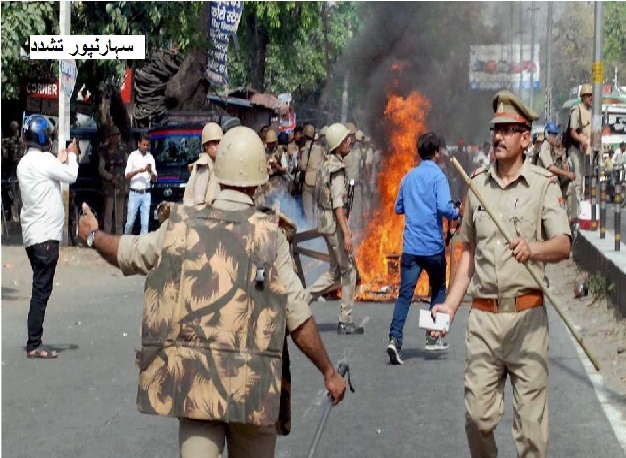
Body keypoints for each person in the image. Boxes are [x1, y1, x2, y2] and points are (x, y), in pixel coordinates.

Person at [77, 126, 346, 457]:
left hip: (196, 387)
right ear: (260, 180)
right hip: (253, 389)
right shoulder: (270, 237)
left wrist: (92, 236)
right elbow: (298, 317)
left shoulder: (180, 225)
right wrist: (329, 372)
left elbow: (127, 252)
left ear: (218, 171)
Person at [431, 90, 571, 458]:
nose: (499, 137)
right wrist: (448, 305)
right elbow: (468, 254)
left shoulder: (543, 184)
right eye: (496, 129)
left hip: (527, 321)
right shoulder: (476, 185)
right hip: (484, 322)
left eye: (509, 130)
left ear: (526, 138)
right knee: (477, 420)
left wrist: (534, 249)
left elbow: (563, 244)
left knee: (532, 437)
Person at [386, 132, 460, 365]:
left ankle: (394, 339)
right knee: (438, 290)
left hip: (411, 248)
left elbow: (398, 207)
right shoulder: (438, 176)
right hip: (433, 247)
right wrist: (457, 212)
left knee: (404, 295)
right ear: (436, 152)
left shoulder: (408, 177)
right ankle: (432, 337)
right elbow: (445, 208)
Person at [17, 115, 79, 359]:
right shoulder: (44, 161)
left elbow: (52, 167)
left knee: (39, 288)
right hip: (46, 238)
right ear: (42, 137)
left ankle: (34, 340)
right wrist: (72, 154)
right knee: (41, 291)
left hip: (32, 237)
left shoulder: (25, 163)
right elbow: (71, 175)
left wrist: (60, 158)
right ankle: (34, 343)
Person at [306, 123, 364, 335]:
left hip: (325, 224)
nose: (349, 142)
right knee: (348, 270)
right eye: (345, 139)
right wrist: (347, 234)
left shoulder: (324, 165)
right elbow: (338, 205)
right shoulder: (337, 170)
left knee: (334, 271)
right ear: (338, 144)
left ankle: (301, 299)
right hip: (334, 226)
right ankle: (345, 319)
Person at [536, 121, 575, 212]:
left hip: (550, 180)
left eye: (556, 135)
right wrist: (567, 174)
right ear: (547, 134)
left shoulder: (552, 147)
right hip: (544, 182)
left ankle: (568, 217)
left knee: (569, 190)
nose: (555, 138)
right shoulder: (544, 146)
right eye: (553, 135)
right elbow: (550, 167)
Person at [568, 83, 592, 224]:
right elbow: (573, 132)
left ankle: (586, 210)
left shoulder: (592, 111)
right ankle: (577, 213)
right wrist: (581, 140)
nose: (590, 98)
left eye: (591, 95)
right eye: (588, 95)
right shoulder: (576, 110)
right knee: (578, 182)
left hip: (588, 150)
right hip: (577, 150)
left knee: (588, 179)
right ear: (582, 97)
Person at [183, 122, 222, 206]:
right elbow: (199, 201)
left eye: (219, 142)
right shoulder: (204, 166)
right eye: (214, 143)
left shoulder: (215, 163)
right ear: (206, 146)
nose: (218, 146)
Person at [124, 135, 156, 235]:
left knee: (145, 224)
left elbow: (155, 179)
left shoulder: (150, 157)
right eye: (144, 145)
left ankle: (142, 248)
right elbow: (127, 176)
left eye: (147, 145)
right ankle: (125, 242)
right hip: (134, 193)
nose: (145, 147)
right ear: (139, 144)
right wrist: (139, 171)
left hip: (146, 193)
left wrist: (150, 171)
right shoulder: (132, 156)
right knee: (130, 222)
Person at [98, 125, 127, 234]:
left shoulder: (124, 150)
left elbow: (129, 166)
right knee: (108, 215)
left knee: (120, 217)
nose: (116, 138)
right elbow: (101, 169)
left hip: (121, 186)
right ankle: (107, 238)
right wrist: (110, 178)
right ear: (110, 137)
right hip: (109, 188)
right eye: (113, 135)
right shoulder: (105, 151)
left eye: (117, 135)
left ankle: (119, 240)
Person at [298, 123, 324, 223]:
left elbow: (303, 166)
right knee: (316, 209)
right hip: (318, 182)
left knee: (308, 211)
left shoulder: (305, 149)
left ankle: (309, 229)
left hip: (308, 183)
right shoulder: (320, 149)